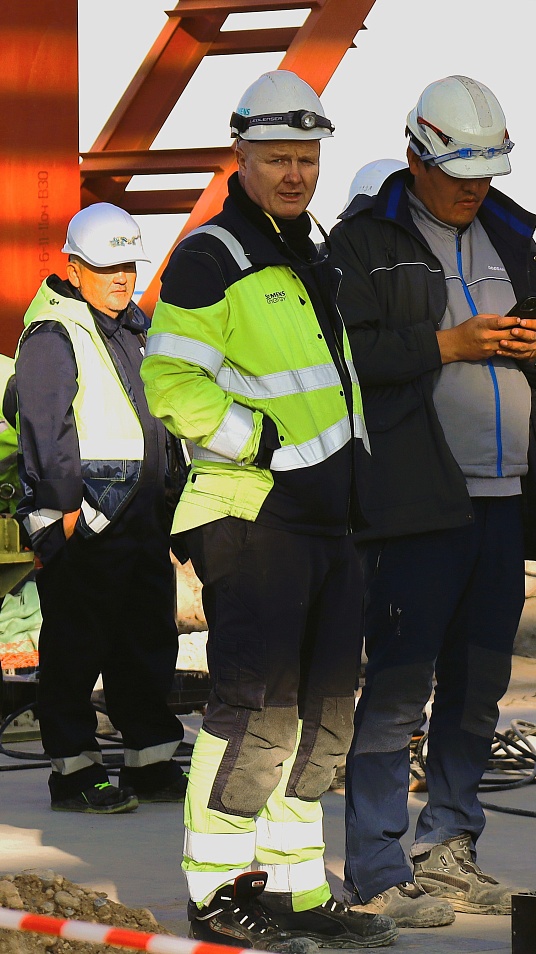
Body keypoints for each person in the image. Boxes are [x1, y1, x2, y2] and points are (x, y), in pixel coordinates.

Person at [141, 70, 395, 951]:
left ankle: (293, 891)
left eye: (305, 157)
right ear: (240, 157)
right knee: (252, 709)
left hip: (325, 519)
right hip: (252, 514)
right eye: (277, 158)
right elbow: (168, 379)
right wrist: (254, 442)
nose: (295, 173)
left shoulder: (305, 247)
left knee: (324, 712)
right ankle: (217, 894)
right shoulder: (215, 254)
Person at [330, 74, 536, 926]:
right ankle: (373, 865)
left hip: (502, 498)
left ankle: (448, 848)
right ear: (416, 158)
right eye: (460, 172)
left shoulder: (509, 236)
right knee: (399, 687)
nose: (476, 187)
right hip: (417, 501)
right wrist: (450, 343)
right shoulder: (366, 242)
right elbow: (347, 359)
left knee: (478, 686)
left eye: (487, 171)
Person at [12, 203, 186, 814]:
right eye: (108, 266)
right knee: (77, 648)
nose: (121, 277)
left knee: (145, 642)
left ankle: (152, 761)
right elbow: (43, 429)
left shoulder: (131, 329)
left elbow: (157, 423)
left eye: (129, 267)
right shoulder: (55, 333)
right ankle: (74, 772)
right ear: (76, 266)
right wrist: (62, 517)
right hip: (85, 520)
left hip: (137, 516)